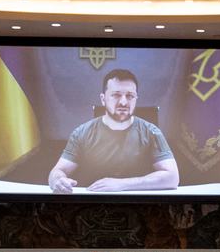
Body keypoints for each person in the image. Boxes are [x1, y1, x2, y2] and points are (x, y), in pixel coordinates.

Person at [47, 68, 179, 193]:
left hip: (138, 205)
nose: (123, 102)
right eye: (116, 95)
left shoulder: (151, 132)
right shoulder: (82, 132)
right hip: (92, 207)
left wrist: (121, 184)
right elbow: (57, 171)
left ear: (136, 99)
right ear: (103, 99)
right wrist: (58, 180)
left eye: (130, 96)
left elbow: (172, 178)